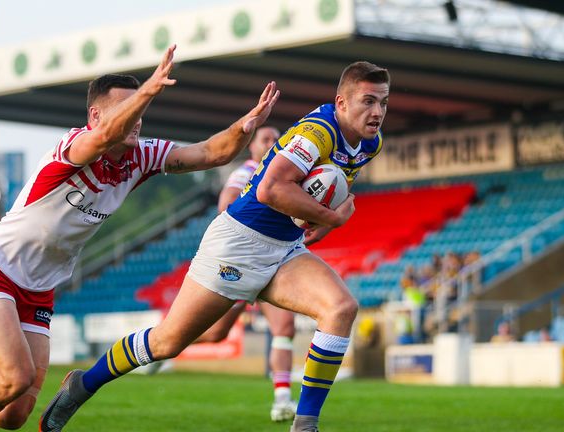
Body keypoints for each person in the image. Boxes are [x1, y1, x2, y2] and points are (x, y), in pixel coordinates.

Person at [0, 45, 280, 432]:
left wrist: (246, 125)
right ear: (96, 116)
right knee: (15, 378)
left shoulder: (144, 154)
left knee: (13, 413)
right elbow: (101, 139)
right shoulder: (76, 143)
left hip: (40, 286)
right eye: (127, 107)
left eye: (141, 108)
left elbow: (211, 153)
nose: (138, 117)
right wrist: (149, 89)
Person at [40, 61, 390, 432]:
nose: (377, 112)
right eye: (368, 101)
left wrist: (318, 220)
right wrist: (332, 218)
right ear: (341, 102)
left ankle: (304, 426)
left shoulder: (371, 144)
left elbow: (322, 188)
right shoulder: (316, 132)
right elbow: (271, 190)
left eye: (383, 102)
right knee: (166, 342)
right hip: (240, 241)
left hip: (285, 248)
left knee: (340, 308)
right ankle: (83, 385)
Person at [194, 125, 299, 422]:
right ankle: (166, 349)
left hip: (271, 261)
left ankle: (282, 399)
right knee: (215, 333)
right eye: (265, 139)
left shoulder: (285, 173)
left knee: (285, 328)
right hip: (244, 260)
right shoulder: (248, 171)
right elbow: (225, 204)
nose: (272, 143)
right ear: (252, 147)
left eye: (276, 140)